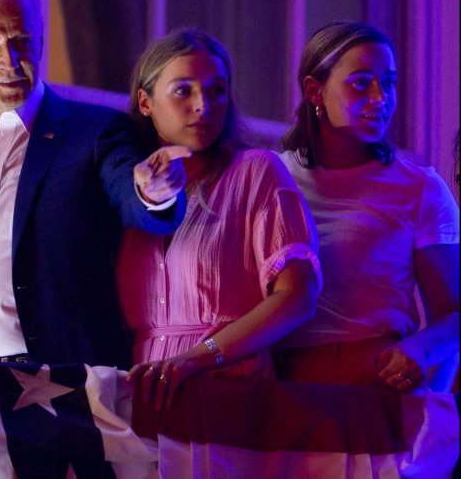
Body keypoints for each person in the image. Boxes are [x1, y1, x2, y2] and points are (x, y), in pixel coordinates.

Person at [0, 0, 189, 369]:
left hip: (56, 380)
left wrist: (153, 191)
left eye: (22, 42)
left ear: (41, 40)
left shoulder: (95, 131)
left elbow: (130, 193)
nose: (9, 61)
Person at [118, 28, 322, 410]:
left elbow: (298, 296)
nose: (203, 105)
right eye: (183, 91)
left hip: (231, 391)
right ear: (145, 102)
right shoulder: (127, 191)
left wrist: (195, 358)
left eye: (216, 91)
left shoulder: (256, 171)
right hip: (141, 397)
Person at [276, 22, 460, 392]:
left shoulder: (420, 188)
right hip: (279, 386)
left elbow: (454, 313)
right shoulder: (273, 177)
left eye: (388, 83)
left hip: (375, 387)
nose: (380, 97)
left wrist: (419, 351)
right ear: (315, 91)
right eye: (361, 83)